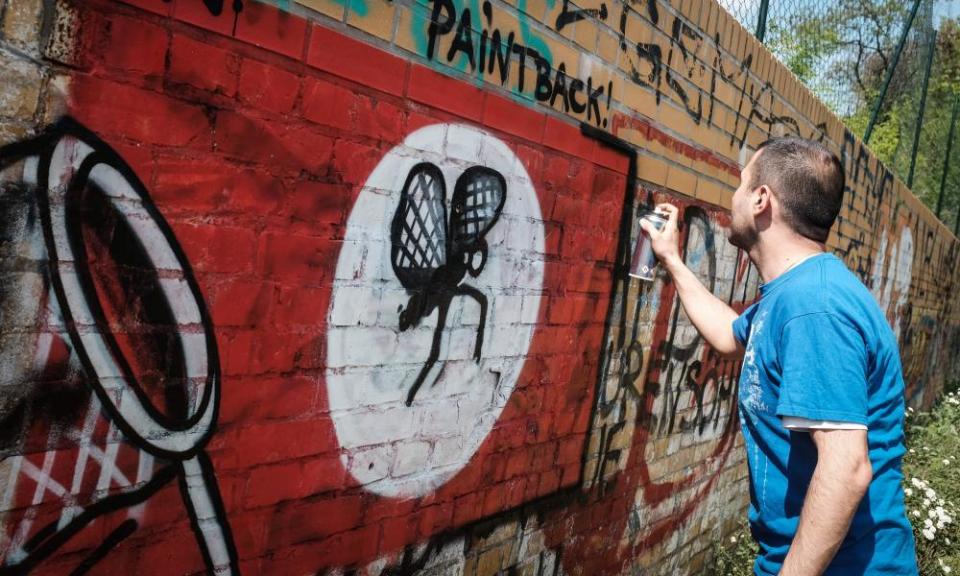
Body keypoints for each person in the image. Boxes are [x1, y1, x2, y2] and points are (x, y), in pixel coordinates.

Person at [641, 137, 918, 575]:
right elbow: (730, 338)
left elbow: (847, 468)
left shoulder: (814, 307)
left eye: (741, 182)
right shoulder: (791, 295)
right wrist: (673, 260)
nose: (732, 195)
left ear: (760, 199)